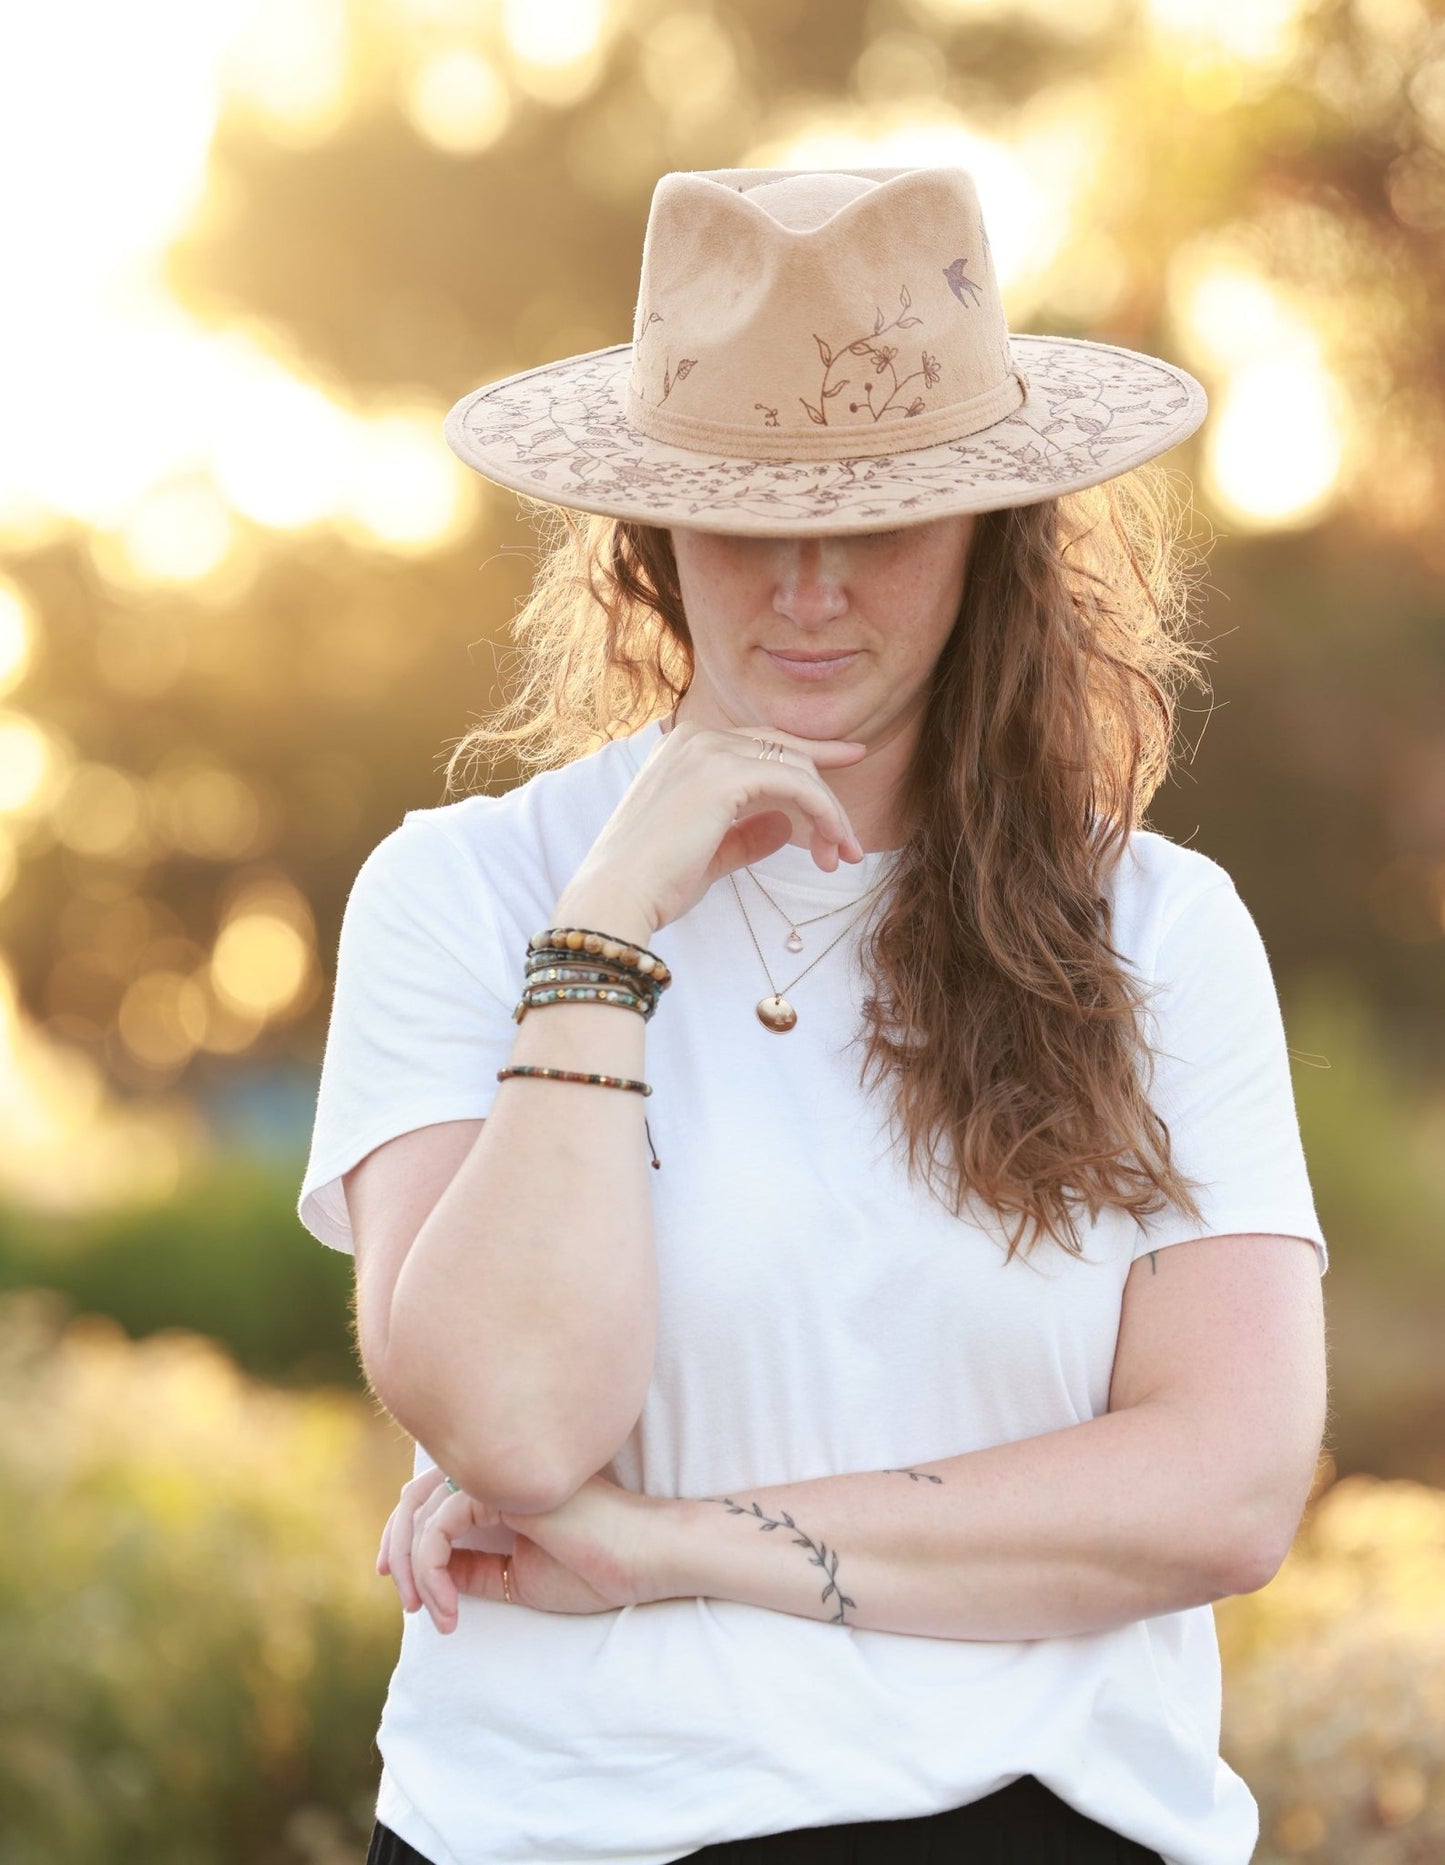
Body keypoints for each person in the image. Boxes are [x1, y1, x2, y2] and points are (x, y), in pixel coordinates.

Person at [296, 166, 1329, 1865]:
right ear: (651, 533)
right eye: (750, 520)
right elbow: (512, 1417)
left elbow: (1222, 1485)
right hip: (550, 1828)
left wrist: (665, 1544)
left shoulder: (1156, 930)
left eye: (880, 523)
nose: (810, 588)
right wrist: (609, 926)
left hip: (1033, 1823)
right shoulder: (470, 895)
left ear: (993, 534)